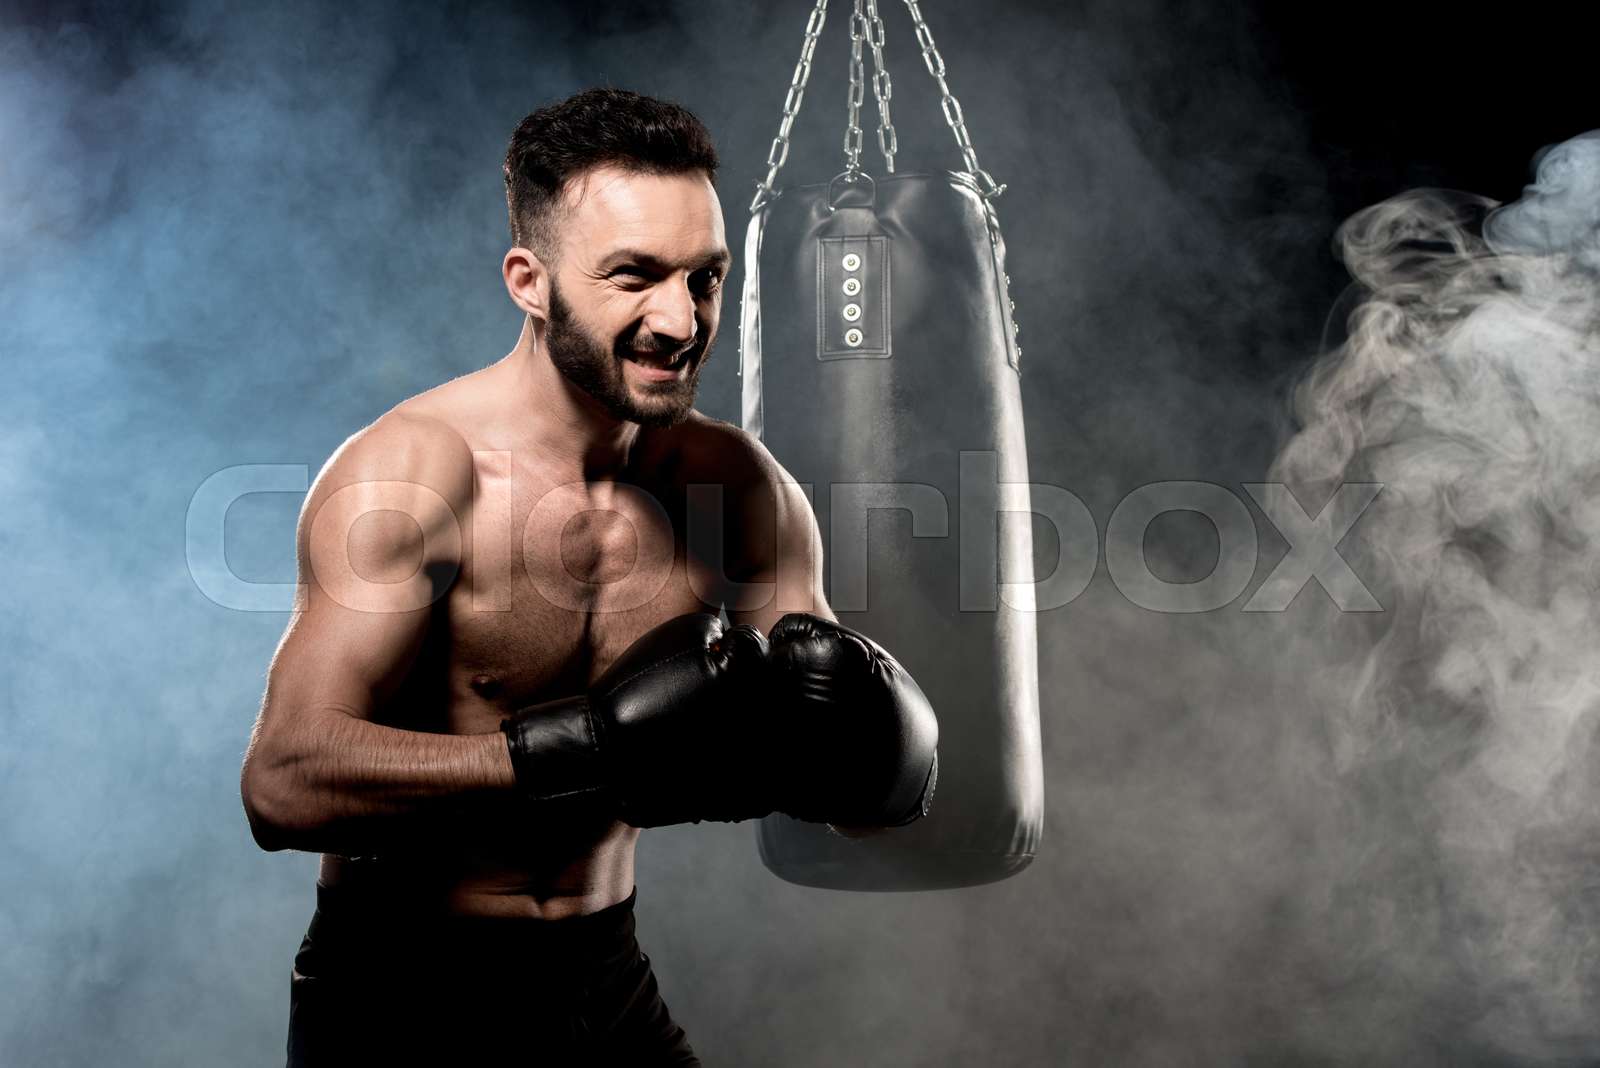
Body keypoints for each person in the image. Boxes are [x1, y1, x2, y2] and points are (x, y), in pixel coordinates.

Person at [239, 87, 938, 1066]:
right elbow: (281, 784)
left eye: (704, 277)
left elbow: (847, 802)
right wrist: (576, 750)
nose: (679, 319)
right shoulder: (412, 476)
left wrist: (882, 762)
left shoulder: (736, 489)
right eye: (633, 277)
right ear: (530, 280)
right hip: (404, 998)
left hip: (602, 977)